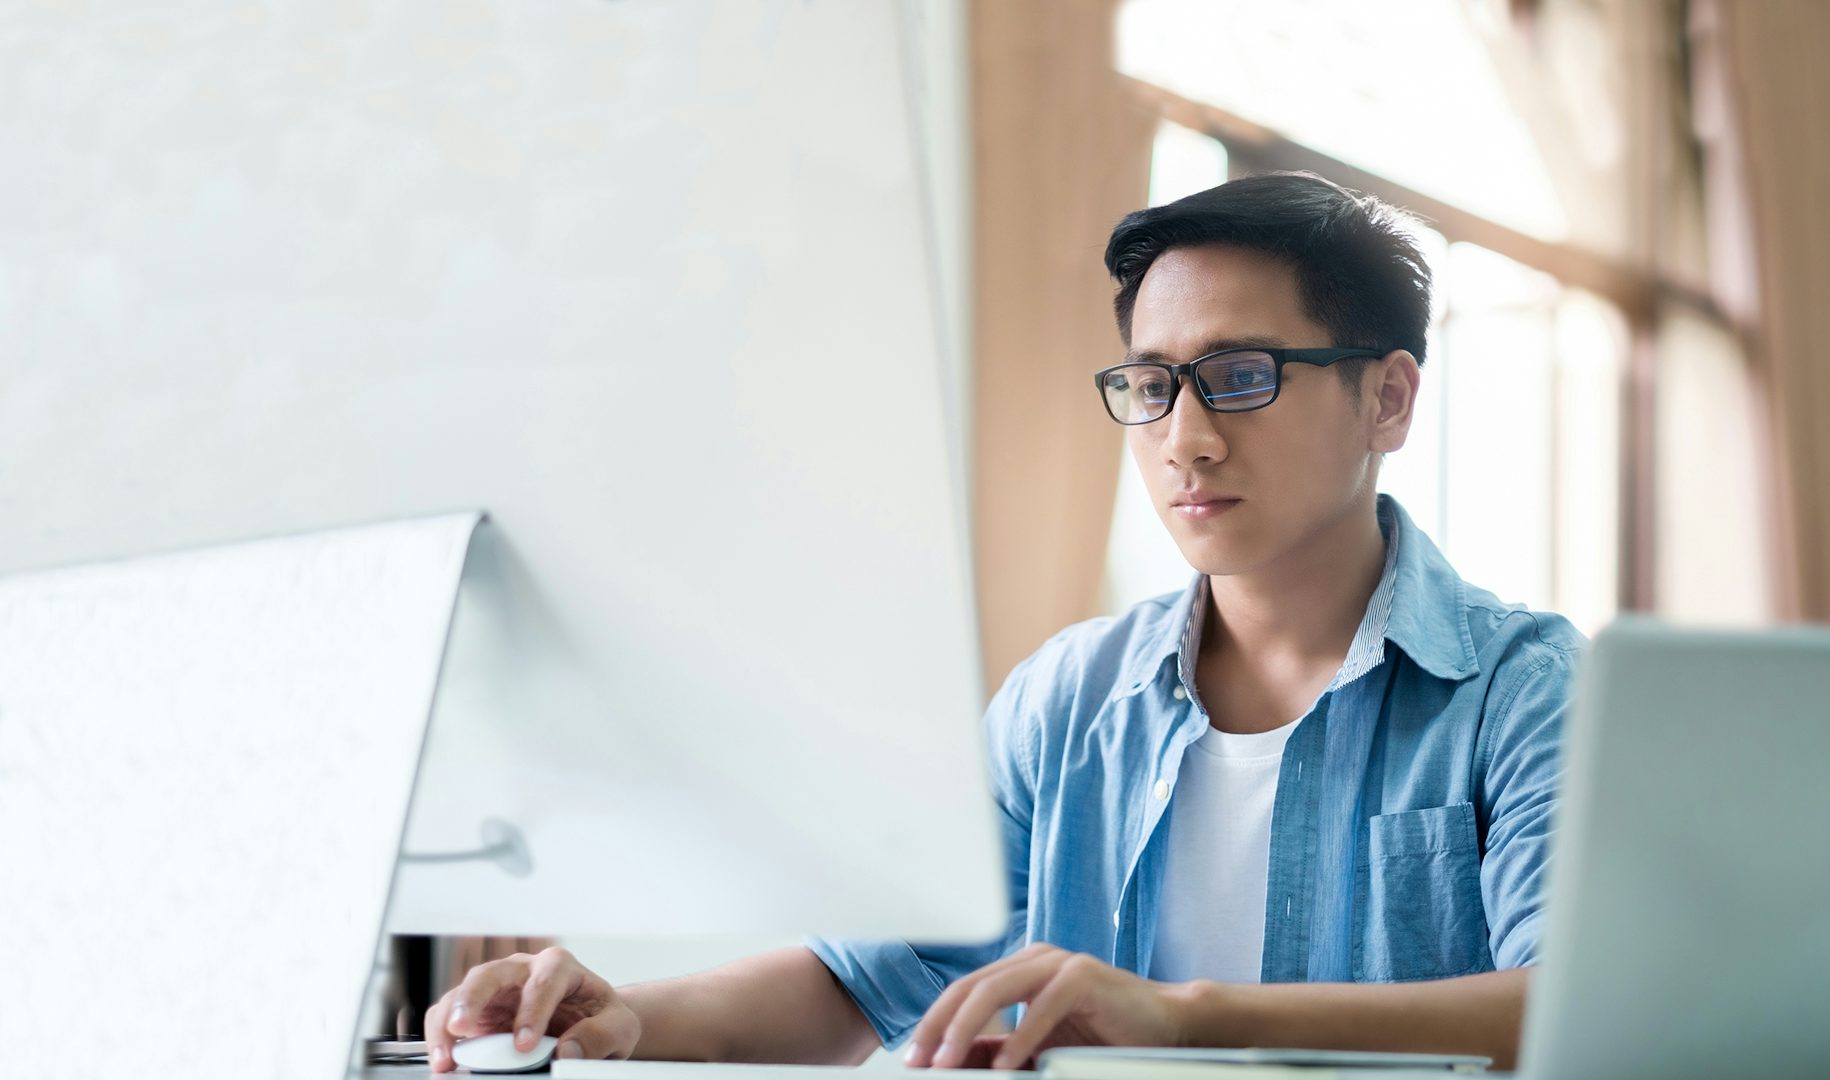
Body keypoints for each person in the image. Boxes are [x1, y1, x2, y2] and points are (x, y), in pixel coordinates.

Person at [423, 171, 1582, 1073]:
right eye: (1150, 385)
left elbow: (1576, 1007)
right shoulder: (1068, 700)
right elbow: (859, 983)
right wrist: (622, 1014)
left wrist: (1182, 1023)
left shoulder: (1524, 690)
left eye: (1239, 377)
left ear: (1388, 396)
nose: (1184, 437)